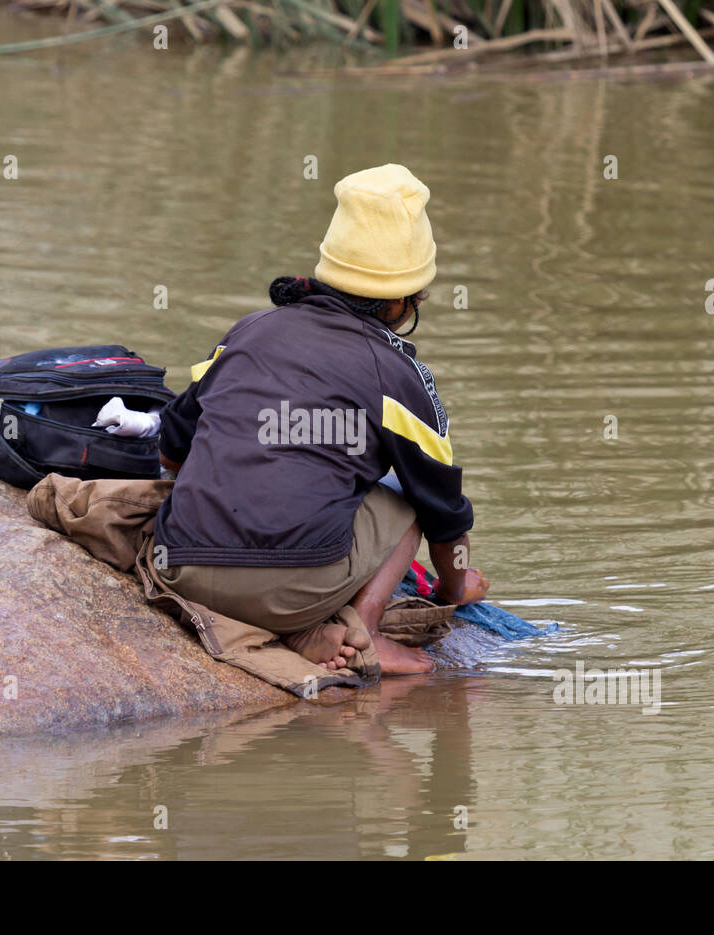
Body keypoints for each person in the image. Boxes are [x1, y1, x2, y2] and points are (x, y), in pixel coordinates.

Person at [152, 163, 488, 675]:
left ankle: (301, 626)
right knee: (409, 497)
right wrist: (456, 588)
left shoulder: (250, 330)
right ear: (402, 299)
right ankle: (364, 635)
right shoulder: (399, 374)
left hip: (181, 570)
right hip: (288, 594)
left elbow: (173, 446)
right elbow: (443, 511)